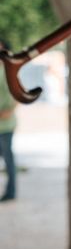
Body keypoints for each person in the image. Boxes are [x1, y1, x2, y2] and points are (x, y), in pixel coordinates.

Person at [0, 38, 18, 202]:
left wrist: (8, 111)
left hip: (5, 123)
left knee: (8, 159)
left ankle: (11, 192)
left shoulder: (8, 69)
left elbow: (17, 93)